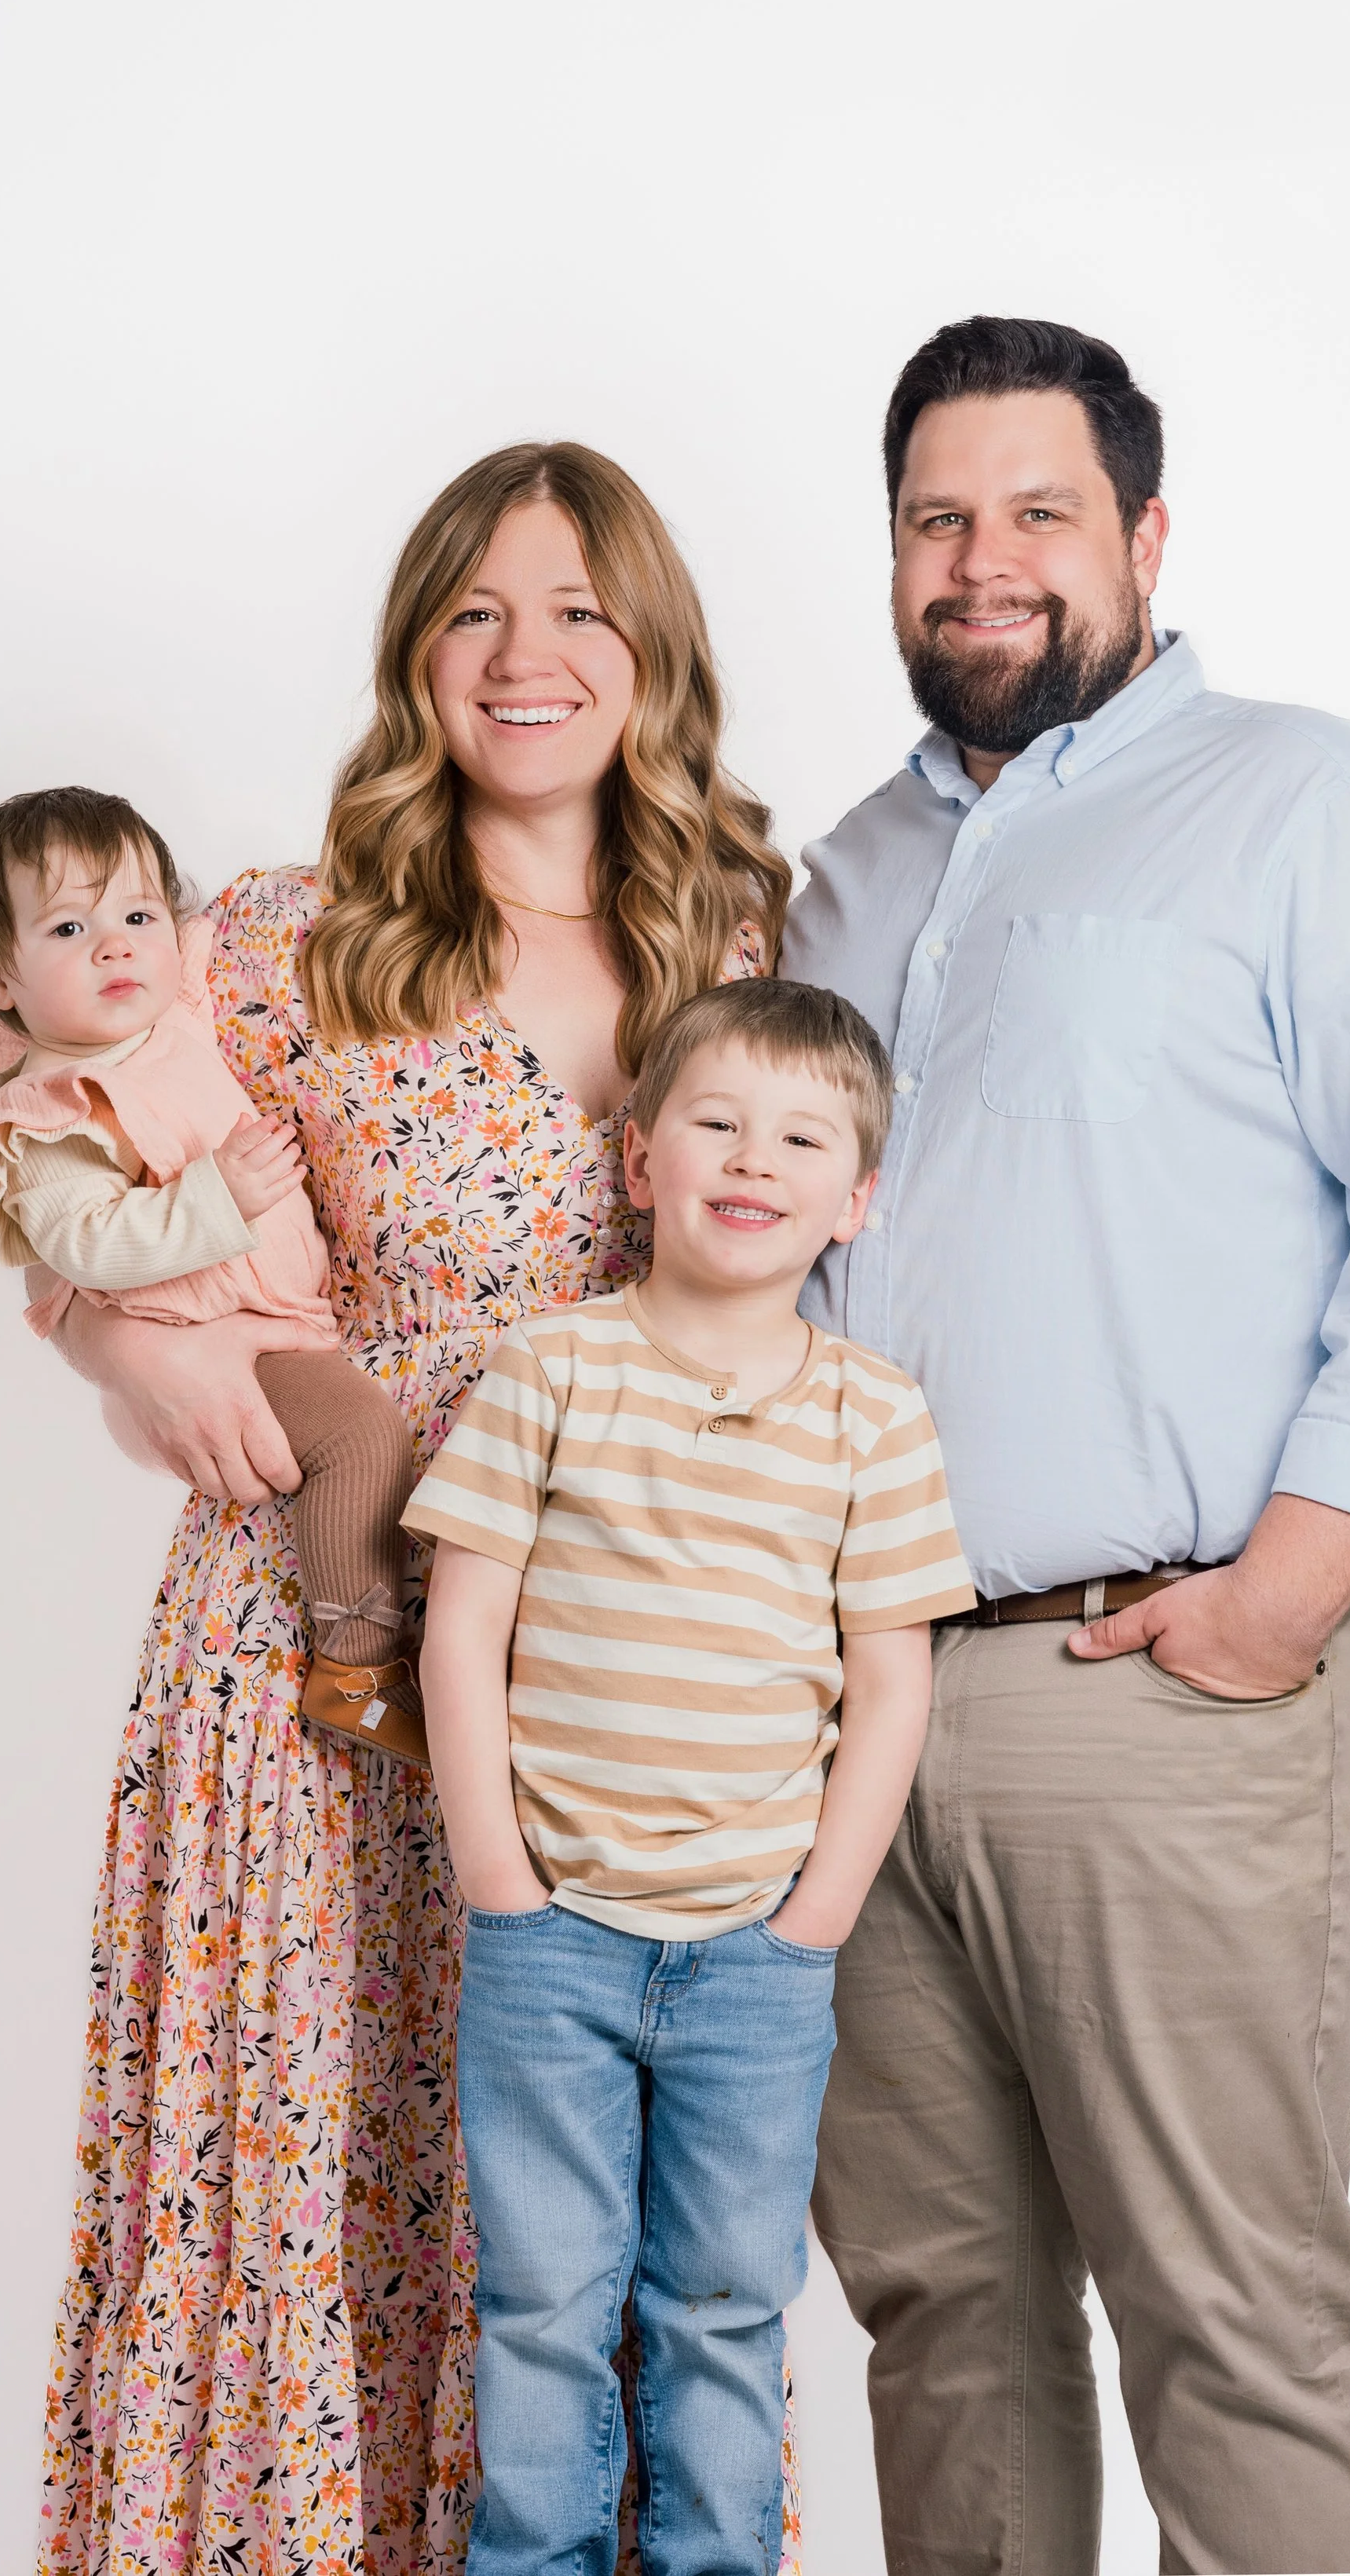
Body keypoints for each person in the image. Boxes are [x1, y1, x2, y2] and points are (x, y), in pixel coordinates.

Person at [785, 316, 1350, 2576]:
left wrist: (1291, 1581)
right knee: (944, 2332)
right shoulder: (835, 883)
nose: (981, 560)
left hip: (1165, 1680)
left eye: (1036, 511)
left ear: (1138, 536)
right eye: (937, 517)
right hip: (852, 1713)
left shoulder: (1301, 804)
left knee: (1228, 2318)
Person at [27, 443, 796, 2576]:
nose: (523, 658)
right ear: (413, 652)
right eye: (473, 611)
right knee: (318, 2140)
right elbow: (74, 1194)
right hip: (307, 1656)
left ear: (652, 651)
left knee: (594, 2224)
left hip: (632, 1641)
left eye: (575, 610)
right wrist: (138, 1352)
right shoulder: (277, 935)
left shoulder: (744, 926)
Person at [404, 979, 974, 2576]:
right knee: (538, 2305)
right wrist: (500, 1884)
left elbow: (887, 1688)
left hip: (753, 1959)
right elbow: (464, 1638)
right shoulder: (552, 1367)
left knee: (723, 2307)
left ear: (853, 1198)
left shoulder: (872, 1417)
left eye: (802, 1136)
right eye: (716, 1120)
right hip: (549, 1940)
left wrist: (809, 1926)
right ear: (640, 1153)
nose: (753, 1157)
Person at [0, 785, 425, 1758]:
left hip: (275, 1306)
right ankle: (357, 1664)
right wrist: (217, 1196)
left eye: (136, 916)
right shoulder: (51, 1108)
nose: (115, 946)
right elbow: (84, 1246)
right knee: (362, 1437)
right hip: (215, 1336)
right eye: (70, 927)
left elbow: (206, 936)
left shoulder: (172, 1013)